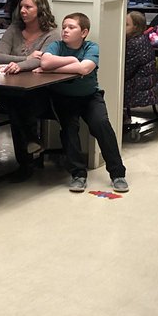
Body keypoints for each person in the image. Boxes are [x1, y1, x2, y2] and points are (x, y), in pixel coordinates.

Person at [37, 12, 129, 194]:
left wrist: (57, 68)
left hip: (90, 97)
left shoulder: (91, 47)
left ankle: (118, 173)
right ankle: (78, 174)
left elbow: (84, 68)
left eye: (71, 27)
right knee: (69, 130)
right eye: (64, 27)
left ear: (84, 32)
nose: (65, 31)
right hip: (63, 98)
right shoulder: (56, 45)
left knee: (102, 125)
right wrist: (70, 62)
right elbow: (46, 62)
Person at [0, 0, 60, 179]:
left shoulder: (52, 34)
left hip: (40, 92)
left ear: (41, 10)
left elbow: (43, 61)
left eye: (28, 7)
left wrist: (19, 65)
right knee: (16, 103)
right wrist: (26, 59)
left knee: (18, 108)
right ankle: (31, 142)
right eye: (21, 6)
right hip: (9, 89)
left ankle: (25, 163)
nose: (22, 10)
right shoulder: (14, 29)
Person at [124, 11, 158, 111]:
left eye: (126, 24)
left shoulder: (133, 44)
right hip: (148, 85)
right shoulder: (143, 38)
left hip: (137, 88)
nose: (122, 27)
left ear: (136, 27)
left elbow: (125, 72)